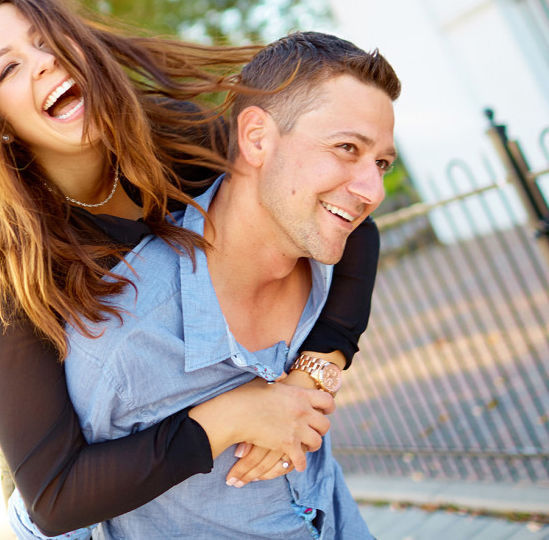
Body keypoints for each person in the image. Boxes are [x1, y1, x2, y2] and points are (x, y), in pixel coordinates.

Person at [0, 0, 380, 536]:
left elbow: (343, 218)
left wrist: (317, 370)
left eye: (49, 41)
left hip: (279, 497)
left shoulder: (180, 137)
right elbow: (53, 496)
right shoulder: (11, 254)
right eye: (9, 69)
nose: (45, 65)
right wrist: (231, 416)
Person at [59, 32, 399, 537]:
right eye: (346, 148)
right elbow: (53, 509)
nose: (373, 190)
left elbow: (364, 235)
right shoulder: (123, 346)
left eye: (381, 163)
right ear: (257, 138)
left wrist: (320, 365)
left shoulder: (329, 261)